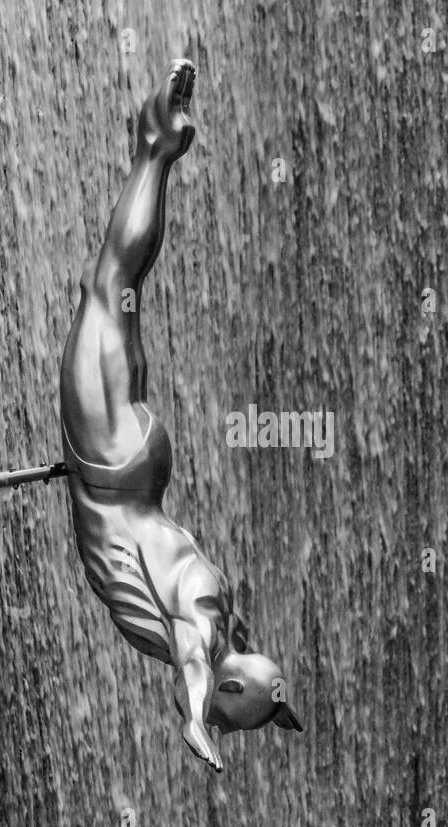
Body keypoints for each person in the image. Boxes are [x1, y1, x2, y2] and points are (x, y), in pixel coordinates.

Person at [59, 60, 302, 772]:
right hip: (108, 466)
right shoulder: (199, 622)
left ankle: (159, 144)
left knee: (120, 293)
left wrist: (211, 715)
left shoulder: (221, 608)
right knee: (110, 284)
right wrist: (200, 728)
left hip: (137, 467)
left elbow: (206, 659)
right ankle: (157, 143)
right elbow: (193, 669)